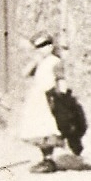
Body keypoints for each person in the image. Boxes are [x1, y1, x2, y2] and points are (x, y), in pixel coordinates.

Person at [17, 31, 66, 173]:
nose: (41, 49)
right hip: (38, 99)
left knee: (48, 127)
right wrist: (35, 61)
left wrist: (61, 98)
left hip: (49, 98)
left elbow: (61, 80)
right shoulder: (41, 62)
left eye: (43, 45)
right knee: (38, 128)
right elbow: (25, 73)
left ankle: (49, 160)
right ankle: (45, 158)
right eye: (37, 47)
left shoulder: (55, 62)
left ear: (50, 46)